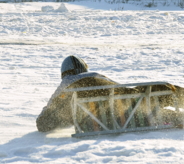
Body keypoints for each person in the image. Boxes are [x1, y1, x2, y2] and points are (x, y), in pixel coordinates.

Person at [36, 55, 183, 132]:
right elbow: (123, 92)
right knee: (159, 90)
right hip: (133, 115)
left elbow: (43, 124)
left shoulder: (64, 89)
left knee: (141, 111)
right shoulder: (95, 76)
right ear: (83, 68)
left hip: (98, 125)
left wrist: (65, 118)